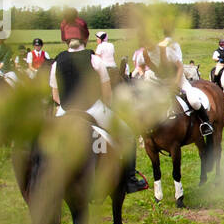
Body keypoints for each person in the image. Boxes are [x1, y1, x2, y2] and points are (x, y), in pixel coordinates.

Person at [50, 15, 146, 193]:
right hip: (93, 109)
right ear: (85, 38)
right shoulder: (95, 60)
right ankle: (130, 180)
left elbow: (55, 95)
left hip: (64, 111)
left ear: (66, 40)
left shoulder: (56, 63)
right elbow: (107, 94)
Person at [158, 33, 214, 137]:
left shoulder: (172, 48)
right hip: (161, 82)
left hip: (179, 80)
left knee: (194, 101)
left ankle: (206, 123)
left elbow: (180, 67)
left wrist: (175, 83)